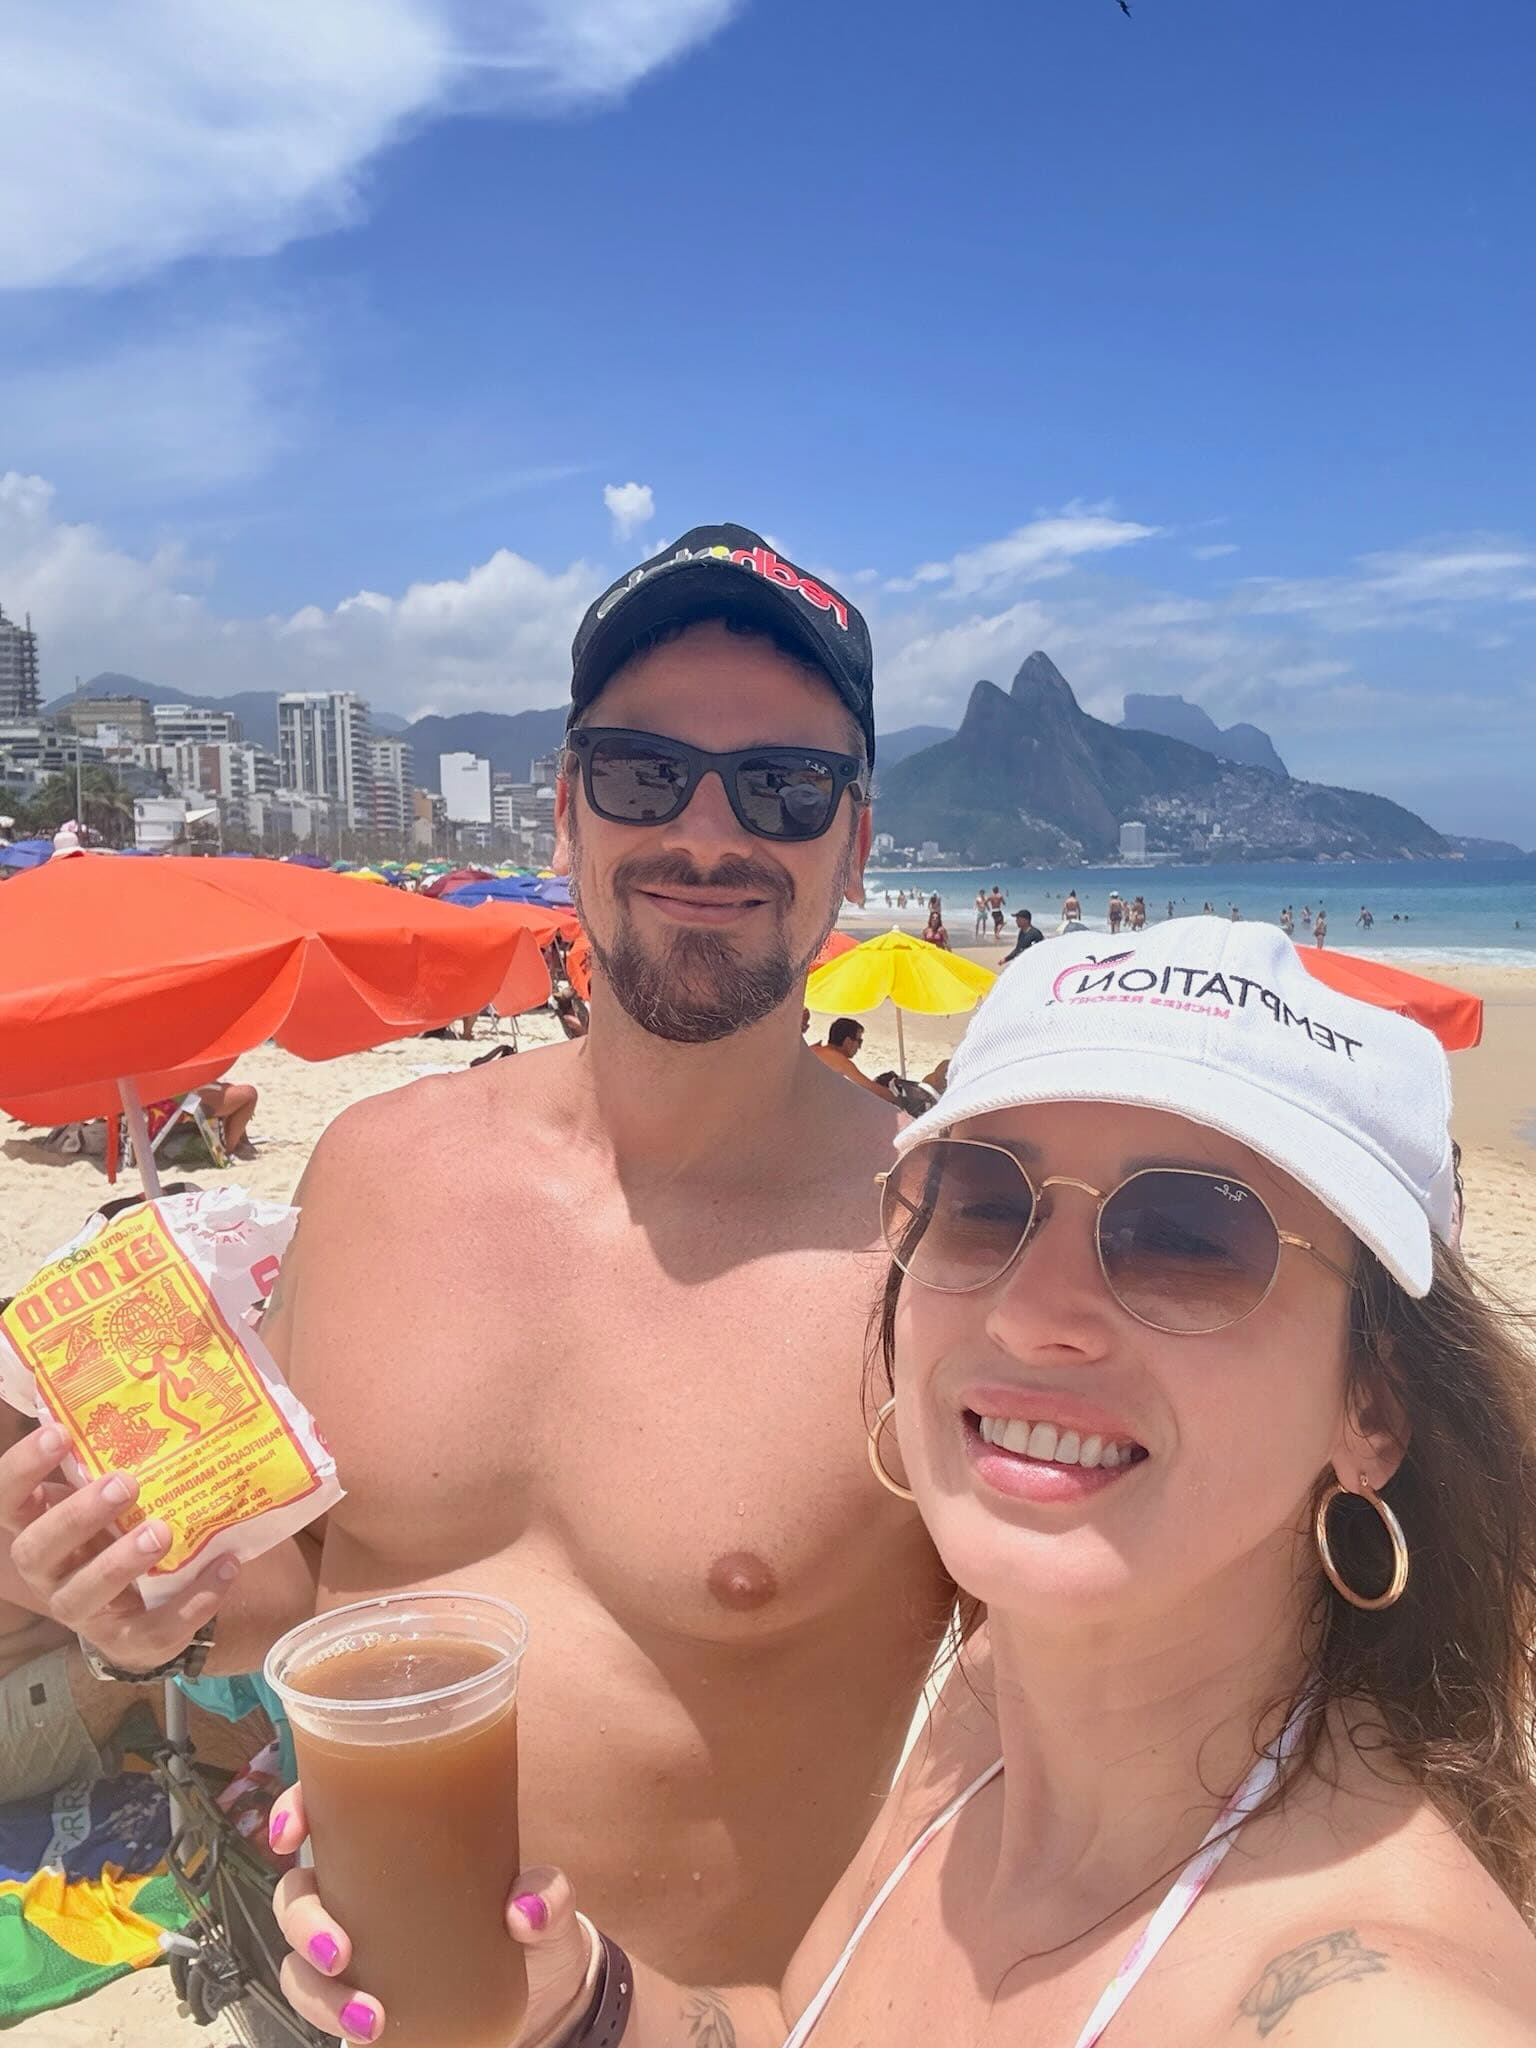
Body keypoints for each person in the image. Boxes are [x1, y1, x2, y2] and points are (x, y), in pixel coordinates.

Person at [274, 919, 1536, 2048]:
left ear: (1372, 1405)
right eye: (984, 1203)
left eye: (1191, 1237)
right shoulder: (992, 1707)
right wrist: (580, 2004)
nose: (1039, 1311)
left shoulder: (1372, 2008)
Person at [0, 524, 951, 1989]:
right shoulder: (380, 1168)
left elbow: (1077, 1770)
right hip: (332, 1998)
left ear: (855, 842)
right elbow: (284, 1584)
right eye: (646, 774)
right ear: (568, 813)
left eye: (783, 786)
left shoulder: (944, 1252)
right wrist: (136, 1617)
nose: (711, 834)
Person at [812, 1017, 894, 1102]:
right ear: (848, 1042)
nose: (859, 1047)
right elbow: (871, 1088)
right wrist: (900, 1100)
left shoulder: (815, 1049)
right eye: (859, 1041)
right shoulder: (839, 1060)